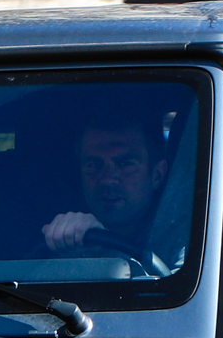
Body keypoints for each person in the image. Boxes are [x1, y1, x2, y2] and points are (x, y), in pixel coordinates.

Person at [41, 111, 174, 269]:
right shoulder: (63, 238)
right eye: (93, 165)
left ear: (156, 175)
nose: (107, 179)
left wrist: (103, 249)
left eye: (125, 164)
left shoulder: (193, 239)